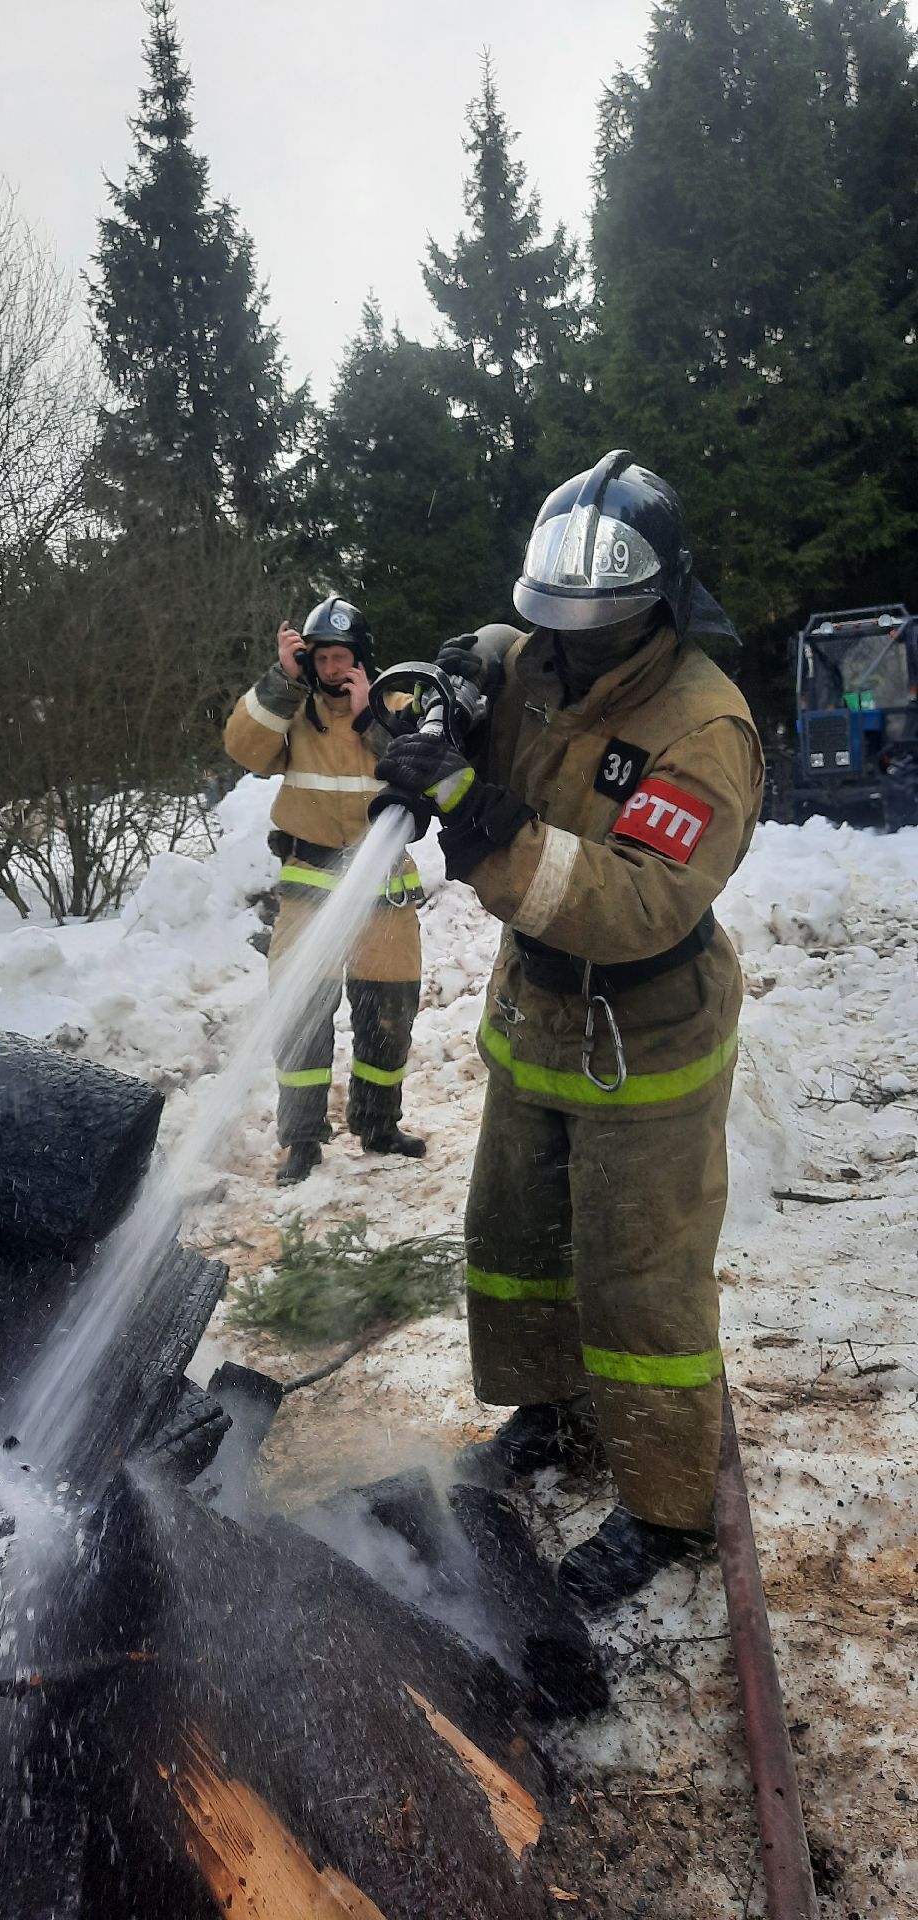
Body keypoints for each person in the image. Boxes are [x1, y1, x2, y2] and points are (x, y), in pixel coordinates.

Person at [373, 450, 765, 1611]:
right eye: (554, 624)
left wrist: (477, 824)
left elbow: (639, 901)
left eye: (591, 628)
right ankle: (550, 1416)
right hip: (538, 1010)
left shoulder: (703, 729)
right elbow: (504, 657)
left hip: (644, 1030)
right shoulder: (544, 656)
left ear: (657, 604)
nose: (564, 646)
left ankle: (661, 1507)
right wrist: (452, 679)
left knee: (639, 1283)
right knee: (514, 1234)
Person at [224, 596, 425, 1186]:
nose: (334, 670)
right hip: (310, 889)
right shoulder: (292, 708)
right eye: (323, 659)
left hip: (383, 892)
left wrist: (373, 720)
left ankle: (378, 1124)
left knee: (388, 1012)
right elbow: (244, 749)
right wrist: (281, 681)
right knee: (302, 1014)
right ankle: (303, 1139)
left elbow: (422, 769)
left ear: (362, 658)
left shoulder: (394, 703)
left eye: (344, 657)